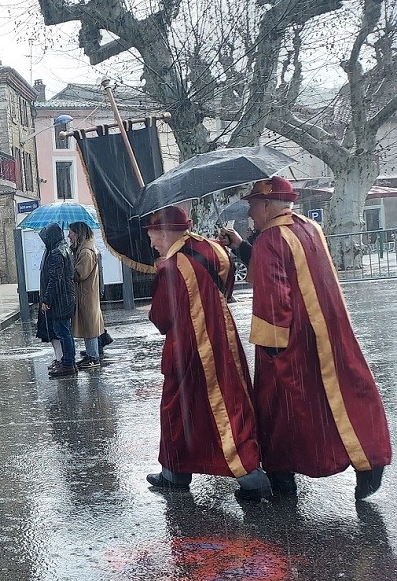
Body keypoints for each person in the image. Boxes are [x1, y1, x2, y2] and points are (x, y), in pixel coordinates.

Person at [233, 175, 392, 500]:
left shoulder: (269, 240)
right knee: (344, 400)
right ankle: (369, 460)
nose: (250, 213)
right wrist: (243, 248)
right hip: (330, 335)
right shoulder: (308, 227)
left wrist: (270, 350)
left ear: (266, 204)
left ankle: (281, 477)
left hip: (292, 343)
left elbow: (274, 299)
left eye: (252, 205)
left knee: (282, 412)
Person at [144, 206, 271, 501]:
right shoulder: (211, 248)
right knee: (231, 400)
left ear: (164, 232)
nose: (151, 243)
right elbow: (226, 286)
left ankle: (238, 476)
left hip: (188, 346)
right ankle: (245, 473)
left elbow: (162, 317)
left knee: (182, 408)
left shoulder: (170, 267)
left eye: (152, 236)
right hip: (222, 336)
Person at [38, 223, 76, 377]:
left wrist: (46, 300)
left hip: (60, 299)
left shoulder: (56, 253)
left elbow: (54, 279)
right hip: (65, 297)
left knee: (63, 332)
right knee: (64, 331)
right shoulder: (64, 249)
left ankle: (68, 363)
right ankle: (68, 362)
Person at [68, 221, 104, 369]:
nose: (68, 235)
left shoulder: (85, 252)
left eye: (70, 232)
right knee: (88, 325)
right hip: (86, 294)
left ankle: (93, 357)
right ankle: (91, 355)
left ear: (77, 234)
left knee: (90, 326)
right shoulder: (84, 249)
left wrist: (68, 265)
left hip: (86, 295)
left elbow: (79, 274)